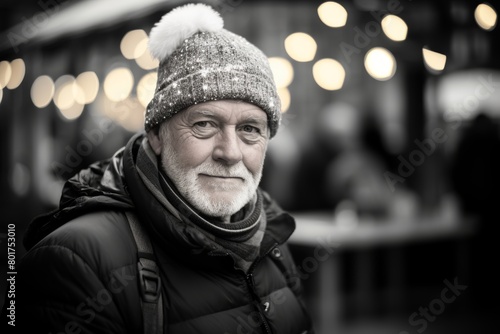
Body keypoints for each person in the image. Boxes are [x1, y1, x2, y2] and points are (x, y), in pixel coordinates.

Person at [1, 4, 313, 334]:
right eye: (205, 124)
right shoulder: (75, 260)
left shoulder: (271, 239)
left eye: (250, 129)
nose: (231, 153)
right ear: (157, 135)